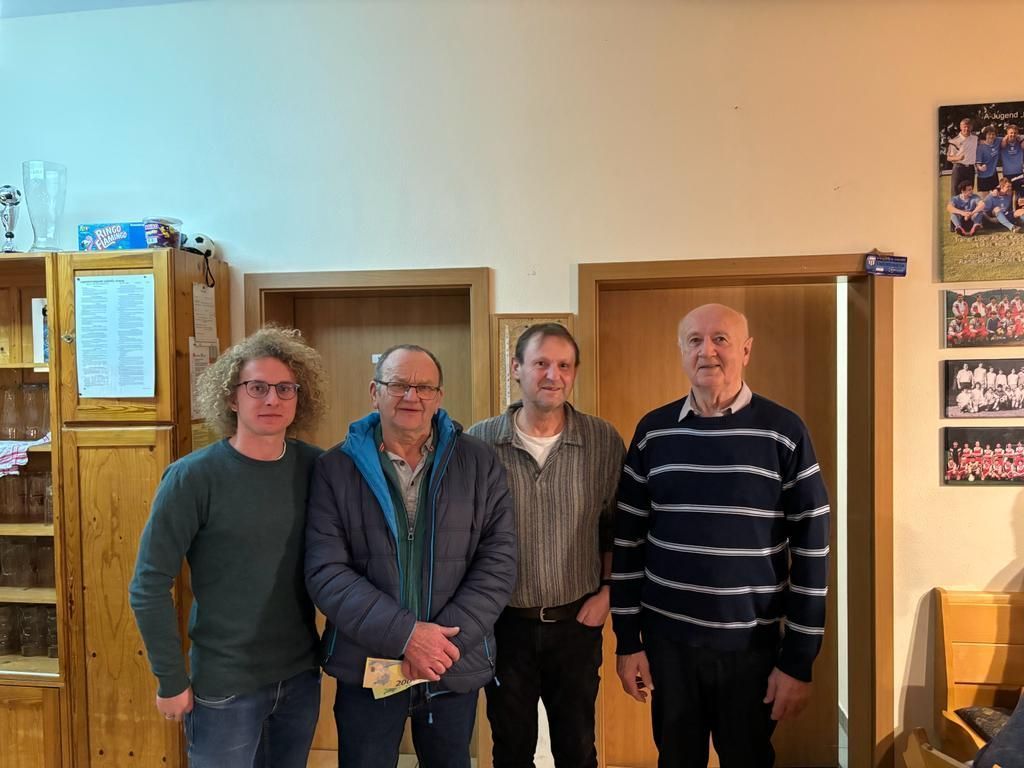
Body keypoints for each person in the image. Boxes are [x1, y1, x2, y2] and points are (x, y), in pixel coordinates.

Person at [610, 303, 830, 768]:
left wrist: (798, 661)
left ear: (746, 350)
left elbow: (813, 552)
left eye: (720, 339)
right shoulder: (653, 432)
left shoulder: (784, 432)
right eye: (694, 340)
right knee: (676, 760)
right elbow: (628, 543)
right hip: (668, 646)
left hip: (752, 649)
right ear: (681, 351)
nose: (706, 351)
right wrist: (628, 641)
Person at [305, 344, 516, 768]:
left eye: (424, 387)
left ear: (439, 396)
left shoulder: (479, 462)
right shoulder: (335, 467)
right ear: (375, 392)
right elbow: (326, 571)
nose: (411, 396)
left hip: (451, 664)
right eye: (398, 384)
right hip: (367, 664)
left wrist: (437, 646)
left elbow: (499, 562)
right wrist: (406, 635)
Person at [128, 326, 329, 768]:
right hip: (224, 685)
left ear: (300, 399)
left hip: (299, 677)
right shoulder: (193, 477)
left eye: (285, 388)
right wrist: (170, 679)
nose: (272, 399)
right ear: (232, 397)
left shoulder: (317, 467)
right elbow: (148, 585)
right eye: (257, 387)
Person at [467, 323, 625, 768]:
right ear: (516, 368)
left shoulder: (602, 440)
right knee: (510, 748)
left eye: (564, 365)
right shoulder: (479, 442)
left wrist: (608, 594)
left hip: (576, 622)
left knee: (577, 748)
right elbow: (464, 533)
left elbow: (618, 527)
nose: (553, 375)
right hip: (504, 625)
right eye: (541, 363)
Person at [948, 117, 979, 196]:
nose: (966, 129)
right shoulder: (954, 140)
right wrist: (958, 158)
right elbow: (949, 157)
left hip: (970, 169)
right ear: (961, 127)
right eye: (964, 127)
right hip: (959, 168)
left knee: (969, 193)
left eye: (968, 127)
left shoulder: (975, 138)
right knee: (956, 193)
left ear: (971, 127)